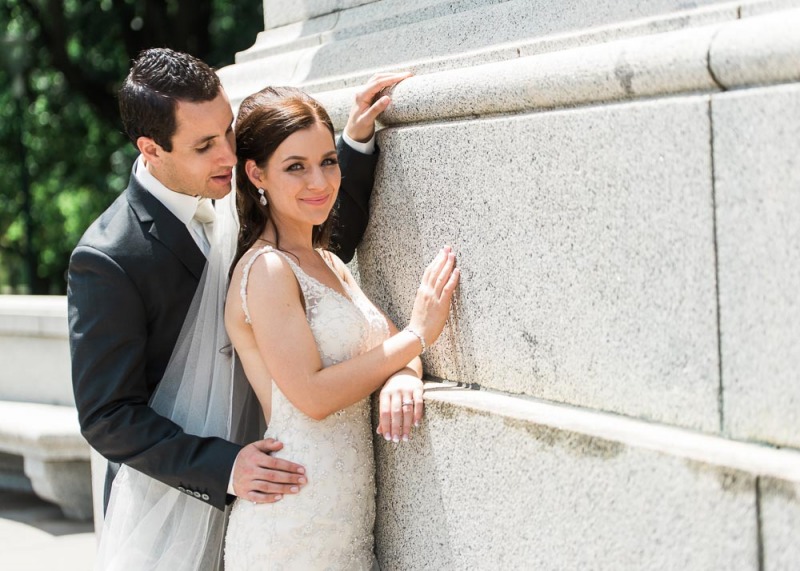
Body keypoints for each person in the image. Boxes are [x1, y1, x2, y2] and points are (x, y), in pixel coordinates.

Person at [67, 47, 409, 568]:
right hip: (178, 502)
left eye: (228, 131)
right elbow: (107, 416)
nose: (228, 155)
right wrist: (227, 468)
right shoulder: (109, 256)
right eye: (205, 145)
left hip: (294, 488)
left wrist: (353, 145)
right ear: (151, 148)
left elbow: (318, 251)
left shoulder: (234, 185)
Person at [222, 87, 459, 569]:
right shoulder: (267, 270)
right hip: (292, 518)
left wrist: (403, 377)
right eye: (296, 167)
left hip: (346, 518)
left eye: (329, 162)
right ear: (256, 174)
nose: (320, 181)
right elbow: (310, 396)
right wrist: (418, 335)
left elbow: (391, 346)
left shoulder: (329, 261)